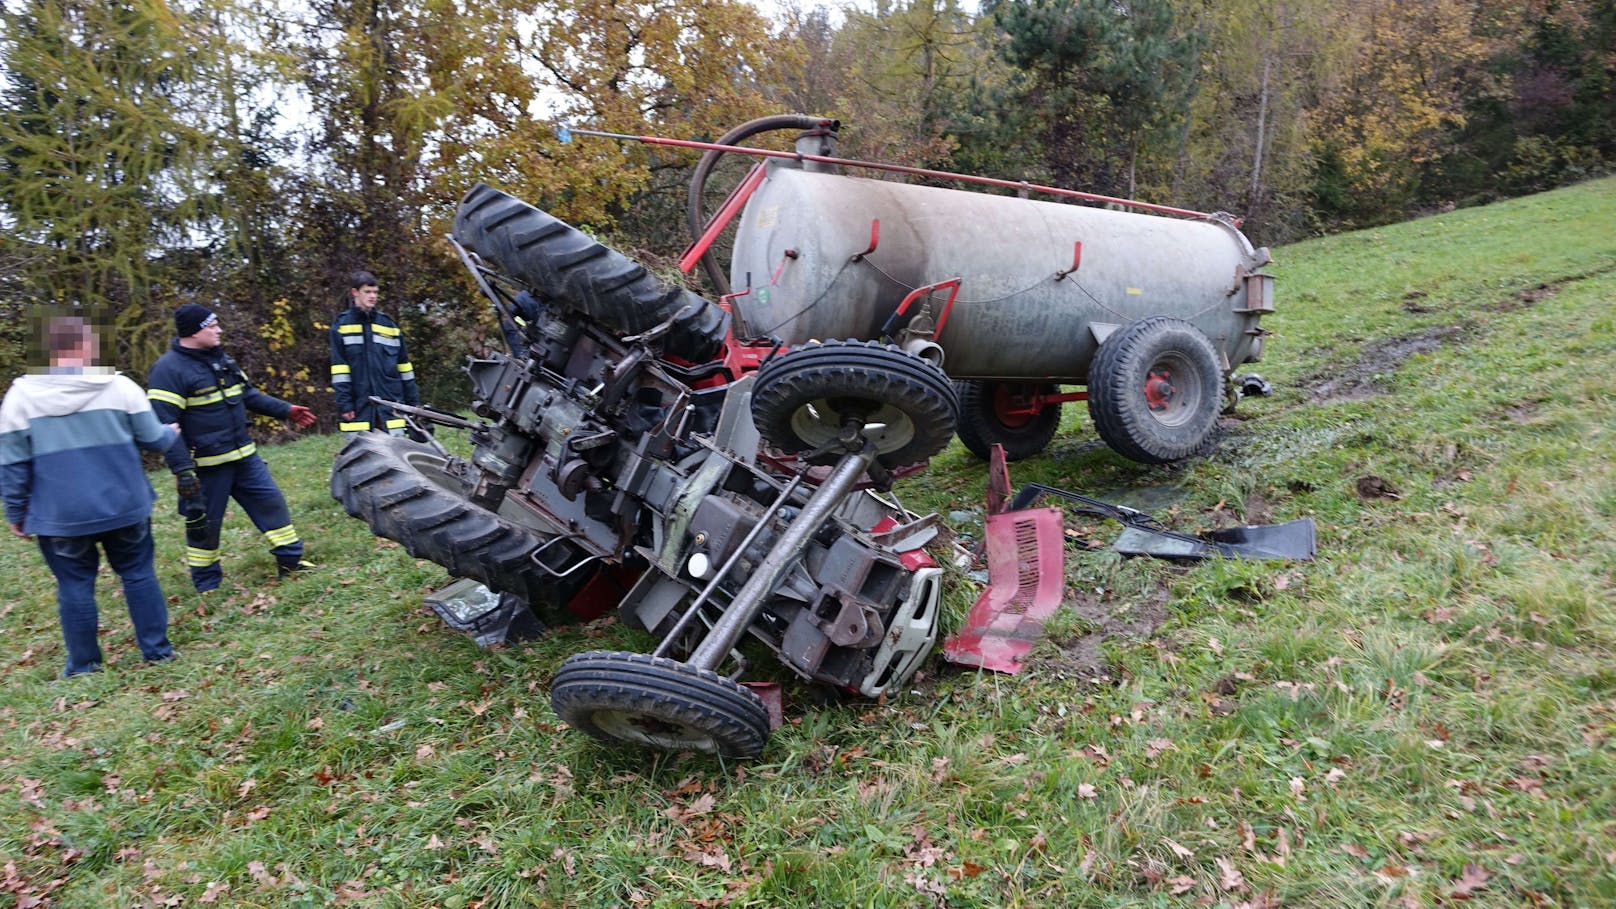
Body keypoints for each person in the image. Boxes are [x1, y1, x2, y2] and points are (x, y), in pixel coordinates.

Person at [1, 314, 180, 678]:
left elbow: (13, 464)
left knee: (74, 585)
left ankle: (84, 667)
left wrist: (16, 513)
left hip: (61, 515)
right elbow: (153, 439)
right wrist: (169, 433)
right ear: (85, 347)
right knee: (138, 574)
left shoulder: (20, 397)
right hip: (125, 505)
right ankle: (158, 653)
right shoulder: (119, 386)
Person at [146, 304, 319, 591]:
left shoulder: (220, 359)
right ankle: (207, 584)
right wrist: (183, 471)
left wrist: (285, 410)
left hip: (244, 457)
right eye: (212, 325)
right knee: (205, 525)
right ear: (194, 331)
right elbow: (166, 424)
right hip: (206, 468)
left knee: (272, 504)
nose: (219, 330)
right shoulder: (167, 370)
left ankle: (291, 563)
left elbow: (246, 394)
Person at [330, 270, 419, 436]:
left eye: (375, 292)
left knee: (397, 458)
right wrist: (345, 404)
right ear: (355, 292)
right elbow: (339, 370)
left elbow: (405, 368)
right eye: (367, 292)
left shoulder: (389, 326)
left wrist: (413, 404)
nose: (372, 296)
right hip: (359, 408)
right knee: (361, 458)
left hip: (391, 407)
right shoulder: (342, 326)